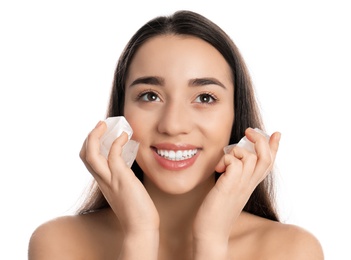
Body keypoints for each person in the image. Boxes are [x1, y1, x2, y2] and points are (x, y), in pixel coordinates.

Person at [28, 10, 324, 259]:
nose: (173, 124)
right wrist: (140, 236)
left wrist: (210, 240)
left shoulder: (291, 251)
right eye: (150, 96)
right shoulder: (59, 244)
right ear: (121, 114)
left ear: (236, 114)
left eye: (205, 98)